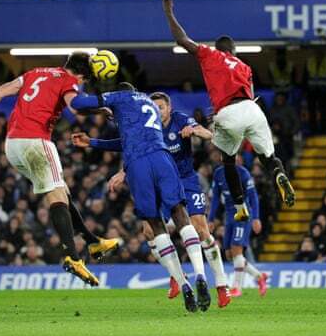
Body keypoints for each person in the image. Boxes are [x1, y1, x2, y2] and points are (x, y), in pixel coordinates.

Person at [0, 53, 119, 287]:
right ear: (81, 75)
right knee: (57, 195)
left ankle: (92, 242)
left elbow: (1, 90)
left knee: (62, 191)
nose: (81, 86)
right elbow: (75, 107)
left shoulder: (35, 73)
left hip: (12, 146)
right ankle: (73, 257)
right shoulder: (68, 80)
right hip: (35, 141)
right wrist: (103, 108)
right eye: (83, 81)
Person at [75, 91, 231, 308]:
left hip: (185, 179)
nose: (158, 110)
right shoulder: (149, 123)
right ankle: (178, 277)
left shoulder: (179, 119)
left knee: (201, 229)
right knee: (148, 231)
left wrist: (194, 130)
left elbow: (206, 133)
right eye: (155, 106)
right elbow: (127, 142)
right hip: (162, 175)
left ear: (169, 108)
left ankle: (221, 284)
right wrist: (117, 165)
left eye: (162, 107)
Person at [162, 0, 295, 224]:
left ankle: (239, 205)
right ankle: (279, 174)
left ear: (219, 48)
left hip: (227, 113)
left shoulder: (209, 54)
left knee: (228, 160)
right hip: (252, 109)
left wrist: (168, 11)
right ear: (233, 51)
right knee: (268, 156)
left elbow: (182, 39)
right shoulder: (244, 66)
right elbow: (250, 95)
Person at [209, 155, 267, 297]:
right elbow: (216, 197)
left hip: (243, 213)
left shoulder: (243, 173)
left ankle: (236, 288)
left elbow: (253, 196)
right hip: (229, 215)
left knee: (236, 250)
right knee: (229, 254)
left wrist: (256, 218)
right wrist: (210, 219)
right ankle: (259, 277)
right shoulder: (218, 173)